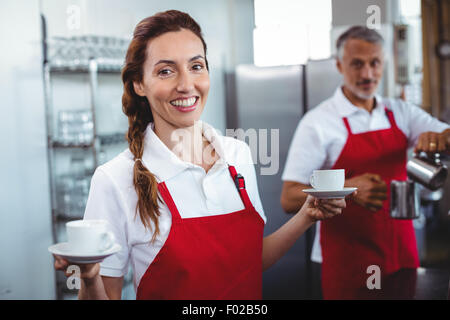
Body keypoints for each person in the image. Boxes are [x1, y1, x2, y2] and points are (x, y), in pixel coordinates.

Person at [53, 10, 347, 300]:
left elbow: (248, 262)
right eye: (165, 71)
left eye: (196, 66)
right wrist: (90, 281)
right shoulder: (115, 179)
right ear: (139, 84)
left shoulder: (237, 155)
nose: (186, 84)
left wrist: (308, 215)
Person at [280, 26, 450, 300]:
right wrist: (349, 188)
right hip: (348, 260)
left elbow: (446, 135)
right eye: (357, 64)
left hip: (401, 250)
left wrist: (441, 136)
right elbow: (288, 198)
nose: (368, 74)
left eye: (375, 63)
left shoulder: (400, 112)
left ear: (384, 63)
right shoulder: (318, 122)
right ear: (339, 65)